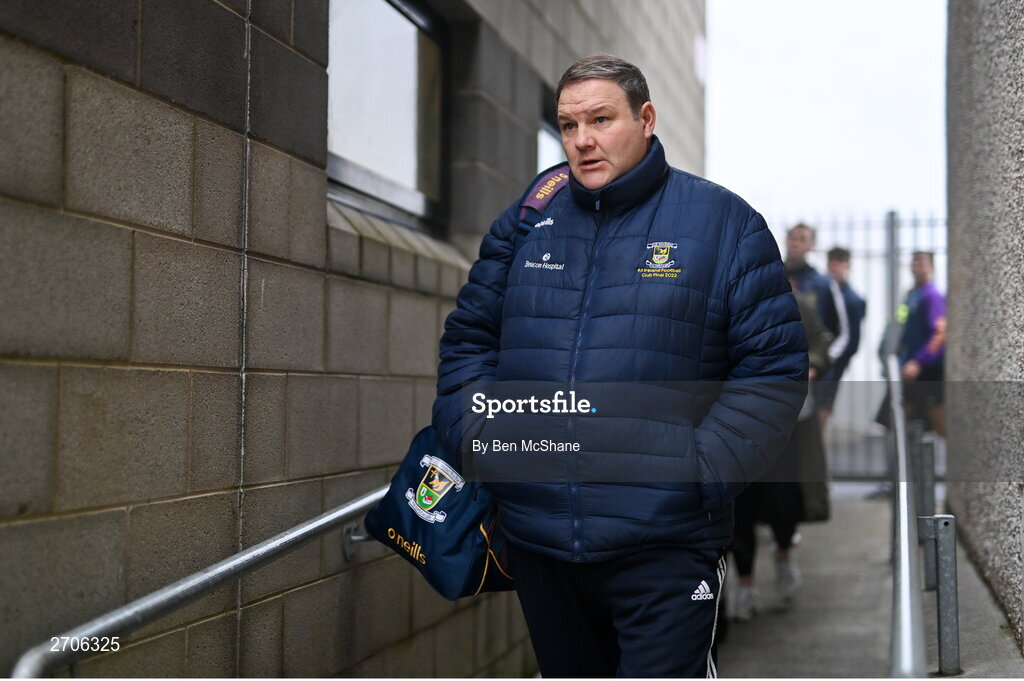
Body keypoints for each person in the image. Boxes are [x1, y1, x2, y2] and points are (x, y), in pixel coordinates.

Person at [432, 55, 807, 677]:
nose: (583, 140)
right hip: (539, 538)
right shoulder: (528, 223)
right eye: (568, 125)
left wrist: (695, 474)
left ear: (647, 118)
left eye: (601, 120)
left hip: (665, 545)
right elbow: (468, 344)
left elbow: (772, 369)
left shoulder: (723, 224)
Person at [730, 276, 833, 620]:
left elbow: (820, 341)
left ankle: (784, 555)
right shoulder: (729, 298)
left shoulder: (794, 302)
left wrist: (812, 366)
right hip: (737, 423)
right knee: (739, 506)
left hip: (787, 424)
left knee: (783, 501)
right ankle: (745, 587)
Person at [815, 247, 867, 425]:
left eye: (840, 262)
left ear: (848, 266)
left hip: (831, 363)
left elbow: (852, 339)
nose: (835, 267)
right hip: (814, 358)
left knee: (822, 406)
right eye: (832, 262)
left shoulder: (853, 300)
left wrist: (833, 362)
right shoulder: (820, 291)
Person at [897, 251, 946, 436]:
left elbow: (939, 333)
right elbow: (900, 325)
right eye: (914, 263)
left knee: (939, 421)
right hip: (910, 368)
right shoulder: (911, 296)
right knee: (902, 417)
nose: (917, 267)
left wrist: (919, 361)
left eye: (922, 263)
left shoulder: (931, 295)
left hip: (928, 370)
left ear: (931, 267)